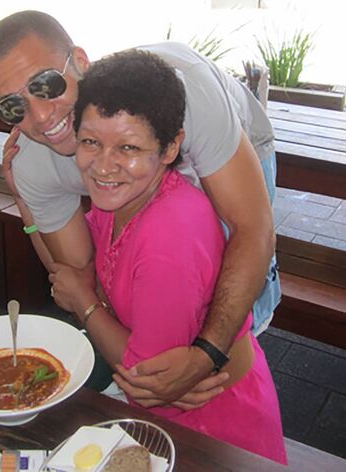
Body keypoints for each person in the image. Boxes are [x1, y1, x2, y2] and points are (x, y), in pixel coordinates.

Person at [0, 10, 280, 409]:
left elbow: (253, 229)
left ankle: (236, 398)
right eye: (13, 106)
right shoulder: (32, 160)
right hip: (141, 183)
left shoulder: (185, 95)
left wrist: (208, 357)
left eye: (45, 84)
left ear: (81, 62)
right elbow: (84, 278)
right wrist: (24, 202)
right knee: (139, 288)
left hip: (221, 149)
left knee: (233, 307)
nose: (41, 115)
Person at [49, 49, 287, 462]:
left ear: (171, 147)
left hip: (210, 436)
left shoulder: (168, 236)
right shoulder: (118, 203)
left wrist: (84, 305)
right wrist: (22, 195)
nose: (104, 166)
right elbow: (70, 271)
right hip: (167, 424)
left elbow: (148, 381)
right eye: (91, 142)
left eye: (128, 147)